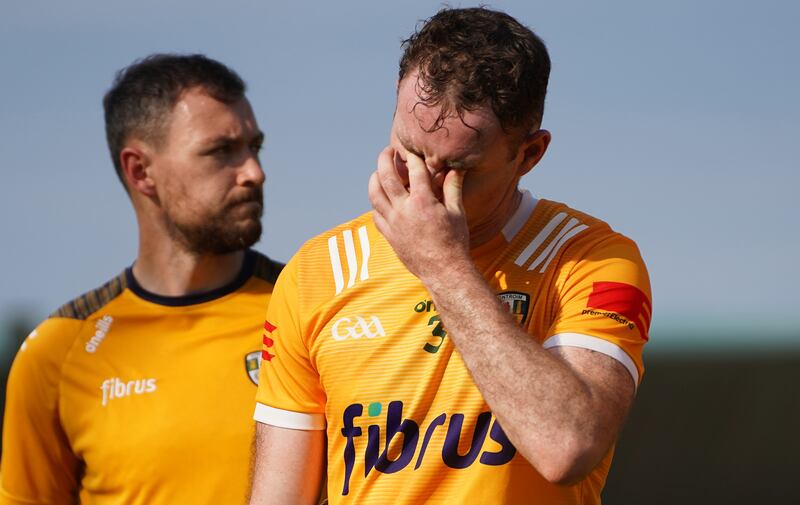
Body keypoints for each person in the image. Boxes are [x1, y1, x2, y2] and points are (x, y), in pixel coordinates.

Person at [249, 7, 651, 505]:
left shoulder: (591, 259)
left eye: (457, 168)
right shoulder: (317, 271)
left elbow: (567, 447)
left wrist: (444, 266)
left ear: (529, 155)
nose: (422, 185)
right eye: (409, 151)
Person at [0, 54, 283, 504]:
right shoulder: (58, 352)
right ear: (140, 171)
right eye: (221, 151)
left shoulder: (311, 309)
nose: (254, 172)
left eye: (255, 147)